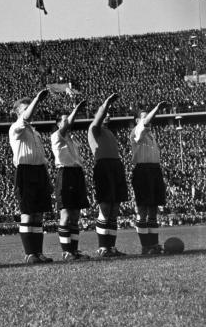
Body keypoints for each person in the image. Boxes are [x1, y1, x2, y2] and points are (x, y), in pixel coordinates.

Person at [9, 89, 53, 264]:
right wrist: (36, 100)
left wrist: (47, 177)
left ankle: (38, 252)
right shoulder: (16, 128)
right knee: (27, 212)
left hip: (39, 170)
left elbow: (41, 156)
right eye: (26, 108)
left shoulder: (35, 132)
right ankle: (30, 253)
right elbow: (25, 119)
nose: (31, 110)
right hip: (25, 171)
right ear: (19, 112)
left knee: (38, 214)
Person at [87, 93, 128, 257]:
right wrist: (106, 104)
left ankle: (111, 247)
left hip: (115, 165)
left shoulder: (109, 132)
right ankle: (103, 247)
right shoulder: (94, 128)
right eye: (105, 113)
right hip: (103, 166)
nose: (108, 115)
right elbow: (99, 117)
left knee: (115, 208)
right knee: (105, 206)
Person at [50, 101, 91, 261]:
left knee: (75, 215)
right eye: (64, 120)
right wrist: (76, 110)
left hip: (77, 174)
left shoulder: (73, 139)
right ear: (58, 123)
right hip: (65, 174)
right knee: (66, 214)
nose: (68, 122)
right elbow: (66, 126)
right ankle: (66, 251)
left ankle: (74, 250)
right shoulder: (57, 136)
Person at [130, 102, 167, 254]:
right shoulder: (136, 131)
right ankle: (146, 246)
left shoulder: (152, 135)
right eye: (144, 117)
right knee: (143, 209)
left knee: (153, 209)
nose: (148, 120)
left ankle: (154, 244)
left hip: (154, 170)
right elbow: (145, 123)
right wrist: (157, 108)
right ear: (137, 120)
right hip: (143, 171)